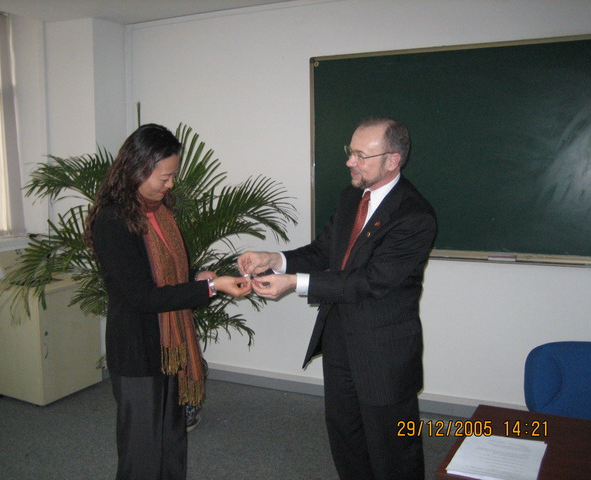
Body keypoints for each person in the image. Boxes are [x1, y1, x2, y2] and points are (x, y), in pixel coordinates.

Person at [238, 117, 436, 480]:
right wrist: (275, 259)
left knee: (392, 449)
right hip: (339, 337)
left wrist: (294, 283)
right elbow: (323, 251)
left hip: (383, 349)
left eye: (361, 155)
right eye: (350, 151)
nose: (349, 162)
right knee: (346, 437)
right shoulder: (351, 197)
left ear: (393, 160)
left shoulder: (414, 215)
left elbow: (370, 281)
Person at [85, 123, 251, 480]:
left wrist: (198, 277)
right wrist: (211, 288)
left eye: (173, 176)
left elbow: (168, 274)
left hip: (169, 347)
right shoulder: (112, 220)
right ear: (137, 168)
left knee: (171, 440)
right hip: (138, 348)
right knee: (142, 451)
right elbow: (143, 296)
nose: (171, 184)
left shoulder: (158, 211)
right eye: (165, 177)